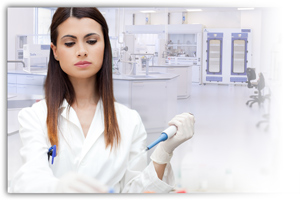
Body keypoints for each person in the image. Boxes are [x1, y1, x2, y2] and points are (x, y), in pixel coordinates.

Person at [9, 7, 195, 193]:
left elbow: (134, 190)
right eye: (69, 43)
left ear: (105, 45)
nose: (81, 51)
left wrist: (163, 153)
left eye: (91, 41)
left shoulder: (129, 120)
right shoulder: (35, 116)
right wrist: (57, 188)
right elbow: (28, 179)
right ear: (55, 51)